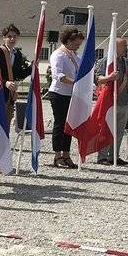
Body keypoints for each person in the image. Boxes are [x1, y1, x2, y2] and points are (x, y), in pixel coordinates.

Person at [47, 28, 83, 168]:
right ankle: (57, 155)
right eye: (76, 44)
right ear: (68, 41)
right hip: (58, 94)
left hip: (71, 94)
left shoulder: (74, 55)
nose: (78, 46)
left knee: (69, 124)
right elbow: (58, 75)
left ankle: (66, 154)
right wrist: (75, 82)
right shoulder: (58, 54)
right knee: (60, 123)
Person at [97, 37, 128, 166]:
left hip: (123, 101)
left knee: (119, 131)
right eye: (124, 45)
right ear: (115, 47)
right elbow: (98, 78)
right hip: (110, 101)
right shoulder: (106, 61)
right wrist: (109, 77)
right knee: (106, 129)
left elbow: (126, 80)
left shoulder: (126, 62)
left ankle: (114, 156)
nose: (126, 48)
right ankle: (102, 156)